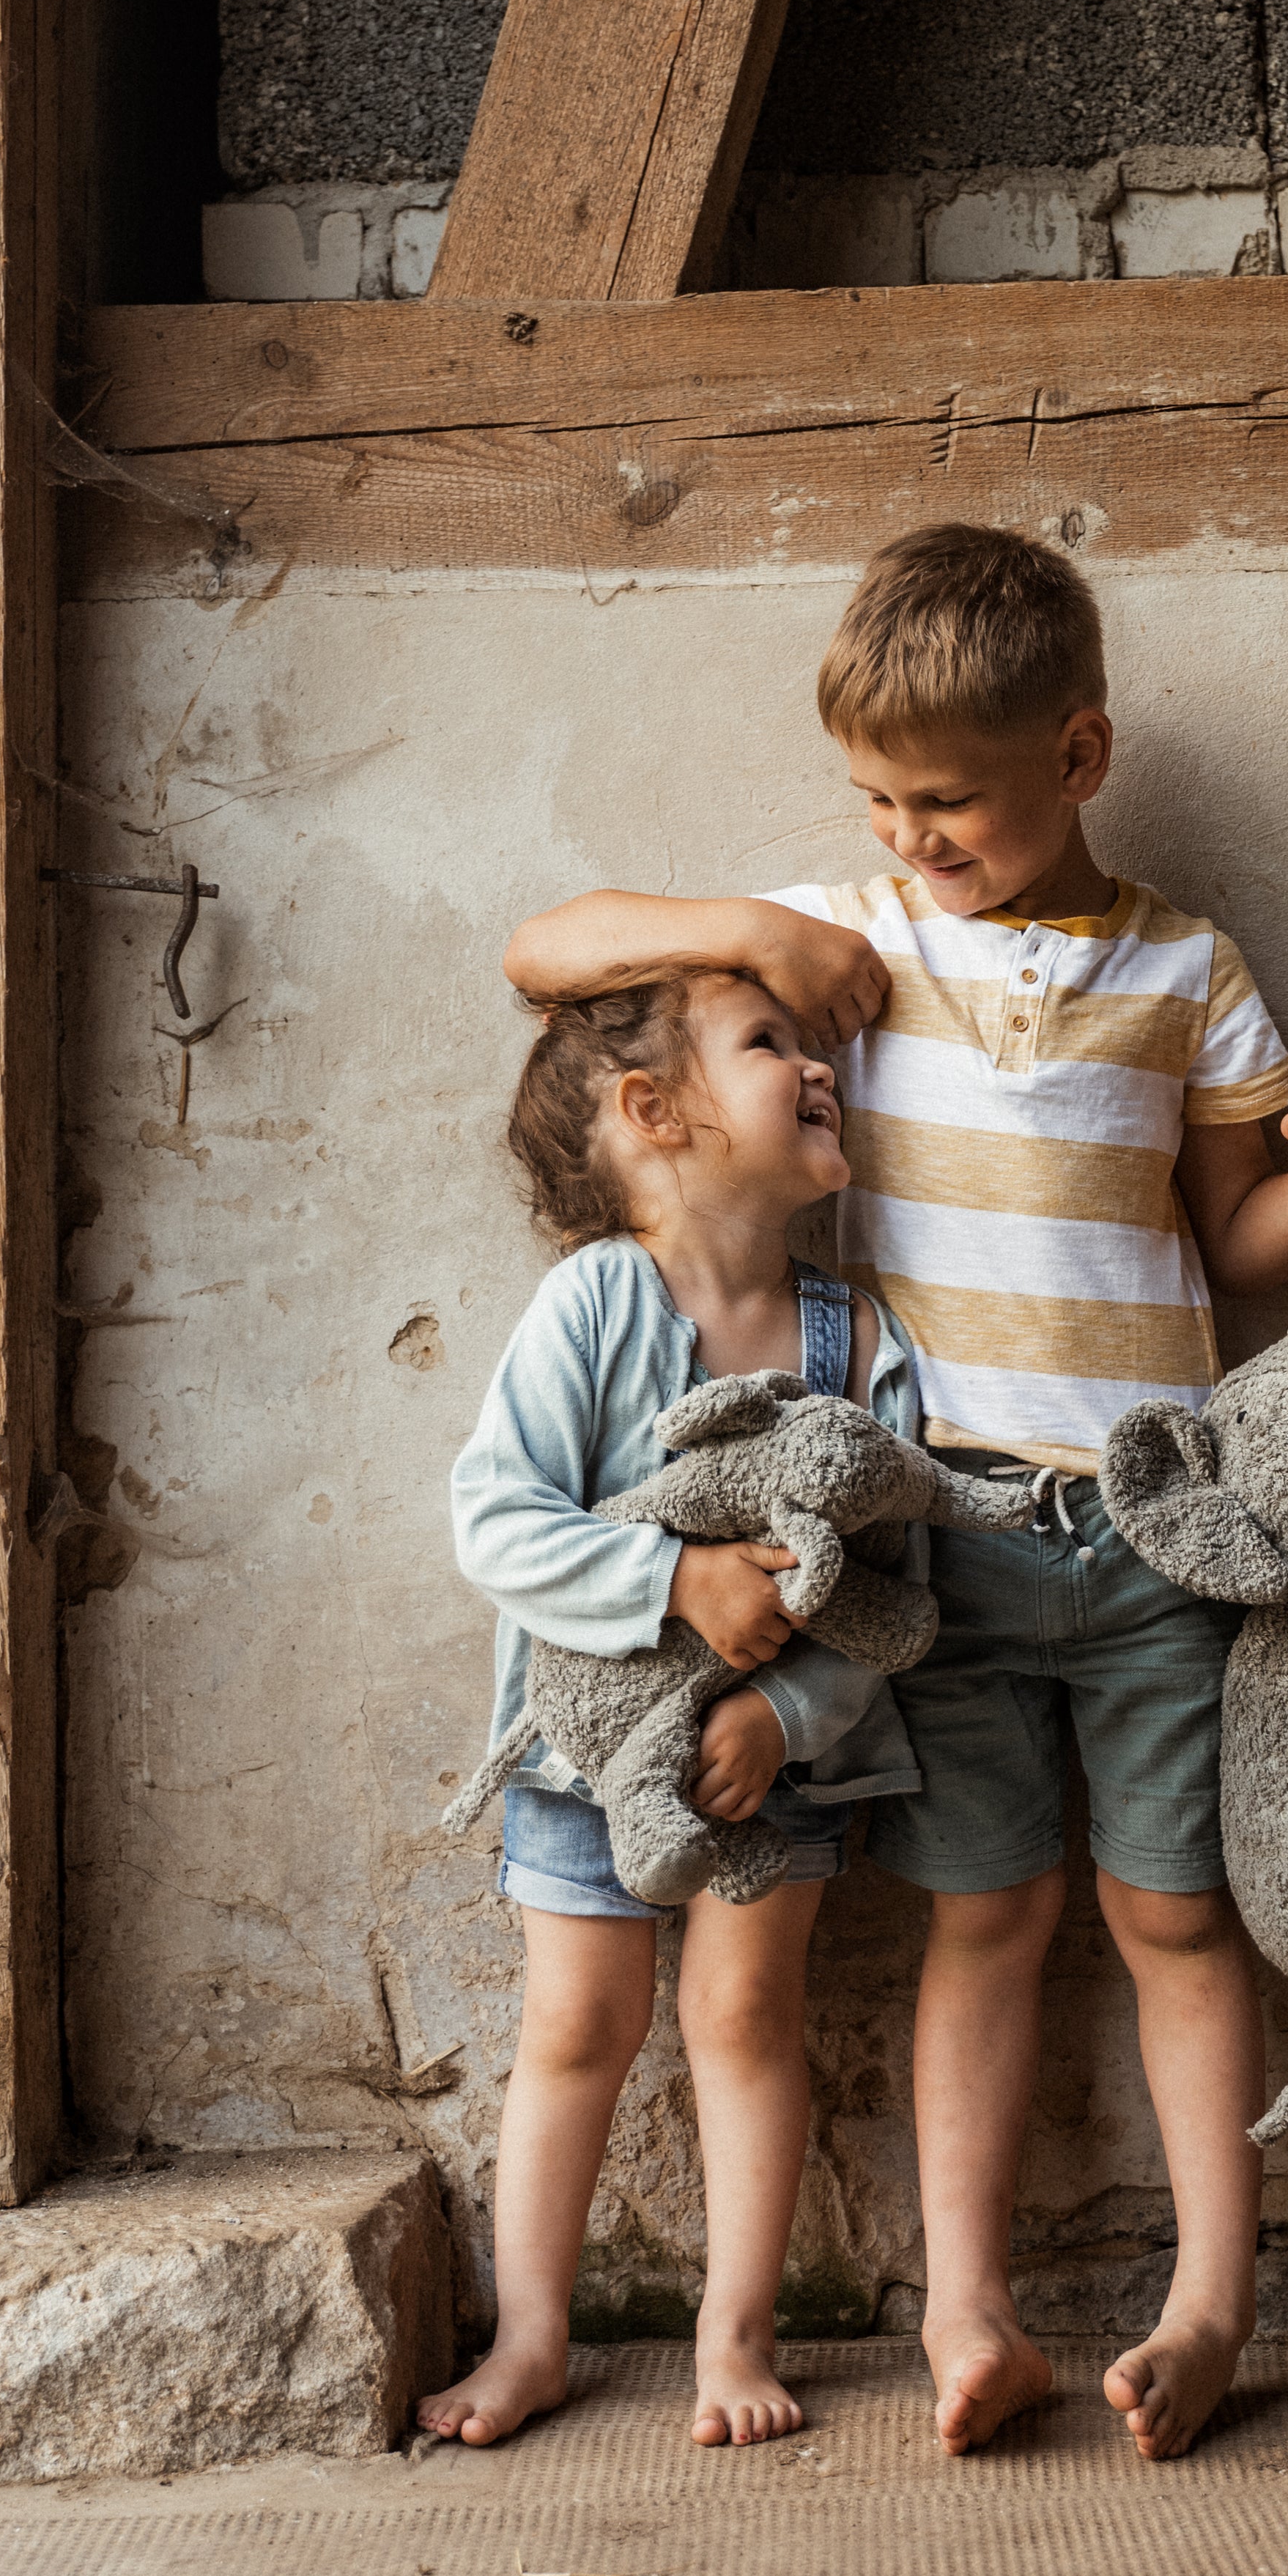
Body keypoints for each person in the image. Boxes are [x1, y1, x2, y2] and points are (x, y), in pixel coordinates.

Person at [504, 523, 1288, 2462]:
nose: (913, 836)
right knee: (981, 1922)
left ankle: (1212, 2304)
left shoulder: (1190, 969)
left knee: (1180, 1919)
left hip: (1160, 1526)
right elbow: (548, 948)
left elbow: (1233, 1248)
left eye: (952, 803)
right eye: (879, 802)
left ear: (1078, 759)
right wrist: (757, 937)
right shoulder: (852, 947)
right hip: (938, 1545)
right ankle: (969, 2315)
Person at [421, 969, 928, 2450]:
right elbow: (496, 1522)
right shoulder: (593, 1304)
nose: (817, 1065)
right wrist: (674, 1582)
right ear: (653, 1113)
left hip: (775, 1767)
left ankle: (738, 2330)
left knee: (744, 2013)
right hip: (587, 1753)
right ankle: (532, 2335)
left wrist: (789, 1718)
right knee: (579, 2020)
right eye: (771, 1045)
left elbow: (890, 1599)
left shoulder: (855, 1343)